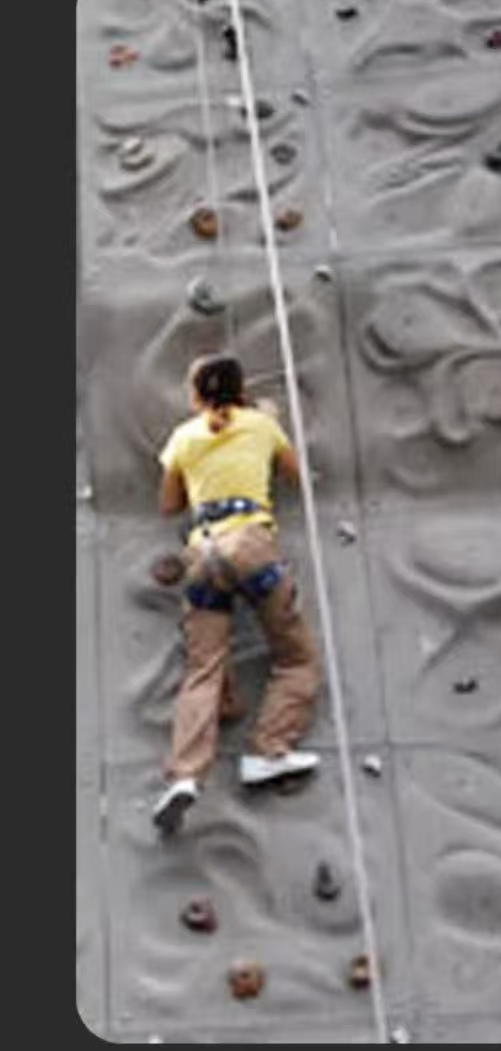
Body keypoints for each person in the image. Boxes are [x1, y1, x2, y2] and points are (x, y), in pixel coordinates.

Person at [151, 355, 322, 834]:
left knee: (202, 670)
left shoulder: (183, 437)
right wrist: (268, 425)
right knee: (296, 659)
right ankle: (268, 748)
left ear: (195, 395)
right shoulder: (261, 426)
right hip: (252, 546)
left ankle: (185, 776)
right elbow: (297, 477)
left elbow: (168, 505)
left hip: (203, 553)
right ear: (241, 388)